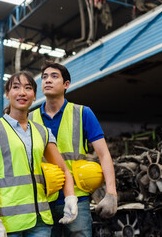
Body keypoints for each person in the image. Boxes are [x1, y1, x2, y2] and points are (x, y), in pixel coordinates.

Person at [0, 71, 78, 237]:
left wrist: (70, 197)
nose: (22, 93)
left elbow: (63, 169)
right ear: (7, 94)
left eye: (28, 88)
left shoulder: (43, 132)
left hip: (40, 220)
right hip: (7, 222)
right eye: (16, 87)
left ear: (34, 96)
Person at [29, 61, 117, 237]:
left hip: (77, 198)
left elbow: (104, 155)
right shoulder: (29, 118)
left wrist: (111, 193)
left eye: (54, 76)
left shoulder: (83, 113)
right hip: (42, 200)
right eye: (44, 77)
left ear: (66, 84)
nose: (48, 80)